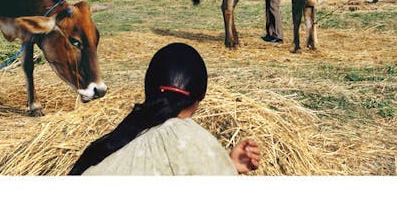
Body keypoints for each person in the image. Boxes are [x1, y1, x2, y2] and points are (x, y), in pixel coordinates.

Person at [68, 43, 261, 175]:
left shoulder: (119, 140)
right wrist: (221, 166)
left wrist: (227, 164)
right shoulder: (190, 139)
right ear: (198, 99)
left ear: (148, 89)